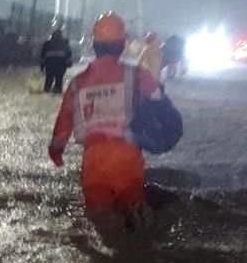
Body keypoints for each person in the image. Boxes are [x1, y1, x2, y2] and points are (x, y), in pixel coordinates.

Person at [48, 12, 161, 227]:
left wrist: (56, 151)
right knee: (135, 217)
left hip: (94, 160)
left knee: (101, 222)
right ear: (122, 44)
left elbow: (63, 122)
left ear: (94, 45)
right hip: (128, 157)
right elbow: (159, 100)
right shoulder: (135, 75)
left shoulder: (78, 83)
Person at [40, 28, 73, 94]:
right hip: (60, 64)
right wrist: (68, 64)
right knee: (59, 80)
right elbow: (69, 55)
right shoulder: (65, 43)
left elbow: (42, 56)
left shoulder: (47, 43)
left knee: (49, 80)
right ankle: (57, 90)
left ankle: (47, 90)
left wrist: (42, 67)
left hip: (50, 64)